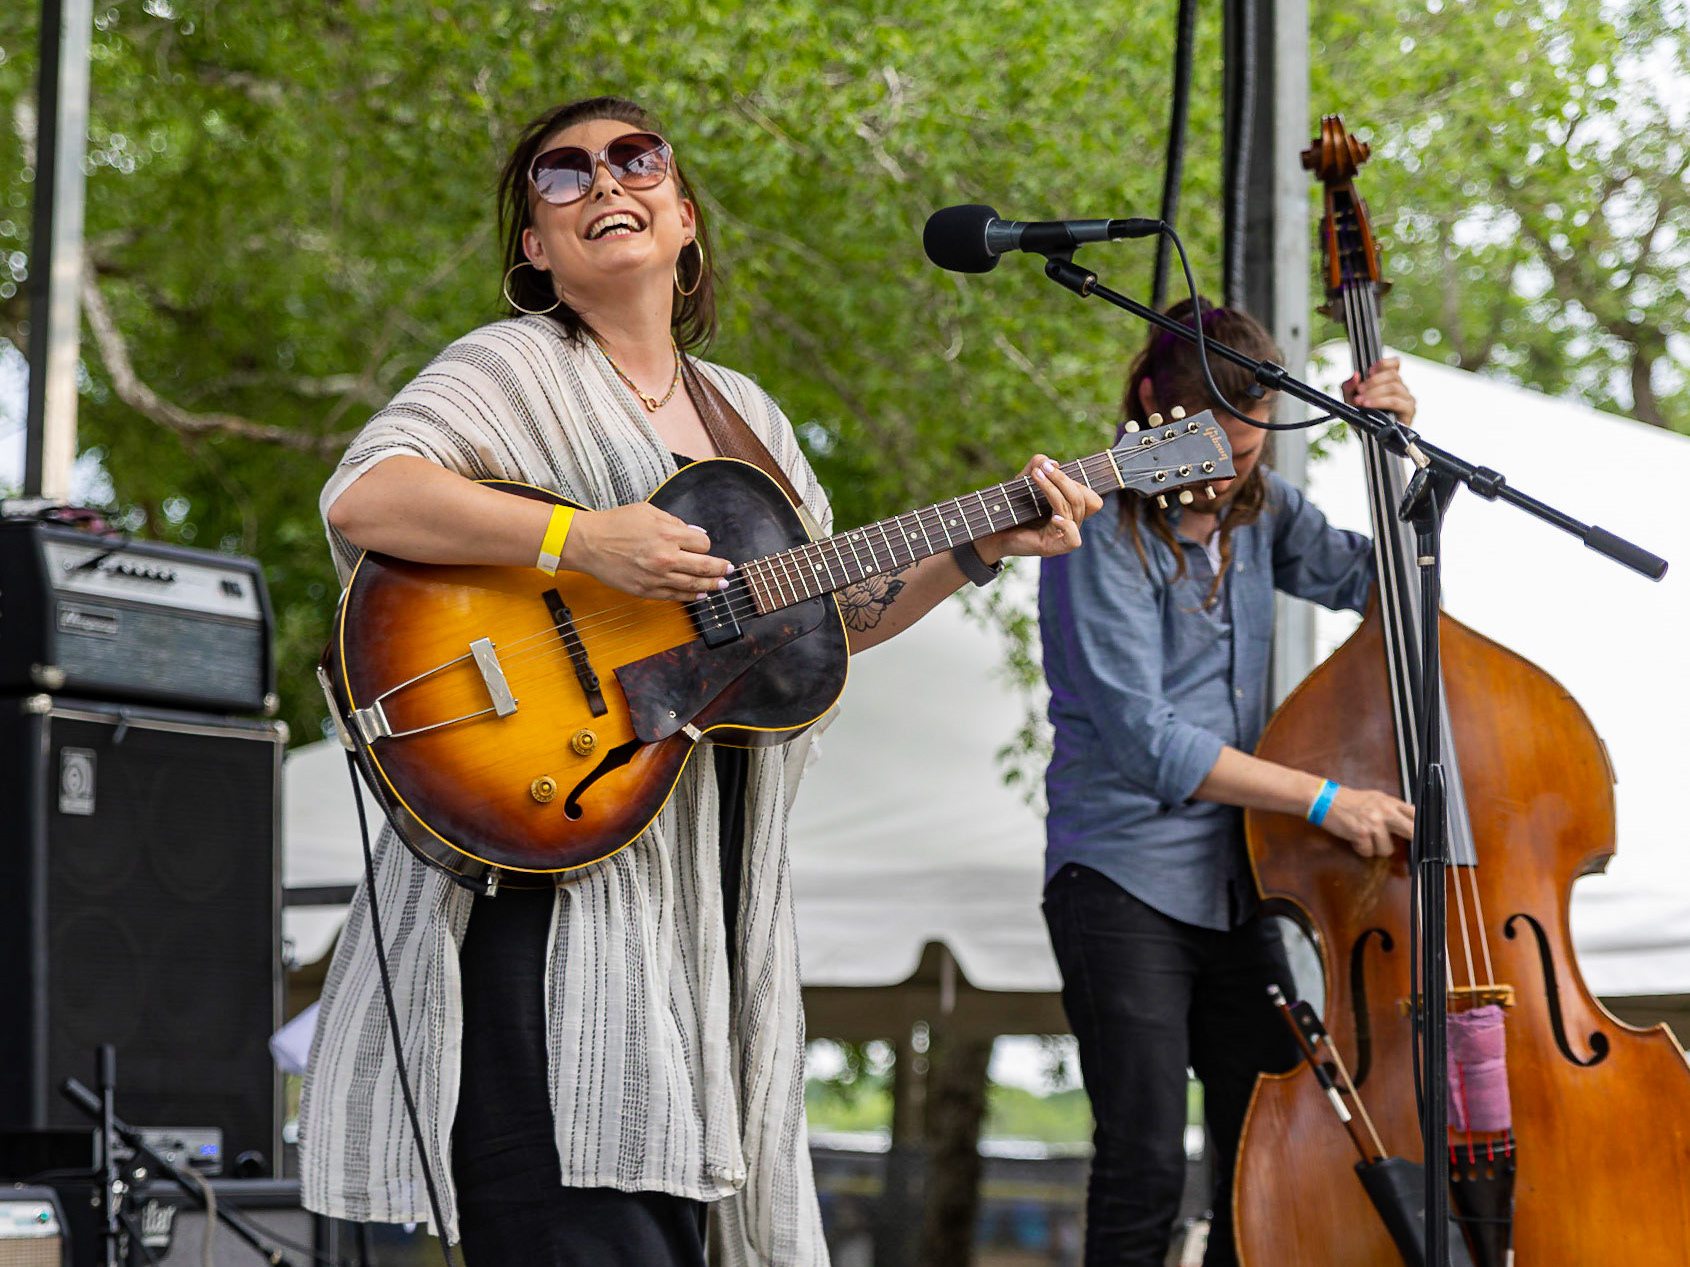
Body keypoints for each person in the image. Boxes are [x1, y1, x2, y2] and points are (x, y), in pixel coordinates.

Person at [297, 95, 1102, 1267]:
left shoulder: (750, 420)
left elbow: (827, 620)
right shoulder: (510, 363)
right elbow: (366, 494)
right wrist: (581, 540)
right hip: (549, 883)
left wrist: (975, 548)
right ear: (535, 248)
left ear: (683, 220)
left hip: (698, 914)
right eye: (563, 174)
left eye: (636, 161)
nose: (603, 182)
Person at [1037, 299, 1419, 1267]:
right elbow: (1149, 742)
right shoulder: (1093, 526)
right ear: (1150, 405)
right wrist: (1325, 800)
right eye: (1208, 449)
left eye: (1247, 453)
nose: (1224, 473)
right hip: (1120, 878)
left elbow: (1398, 589)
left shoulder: (1269, 510)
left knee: (1264, 1153)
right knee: (1143, 1165)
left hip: (1238, 882)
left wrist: (1392, 452)